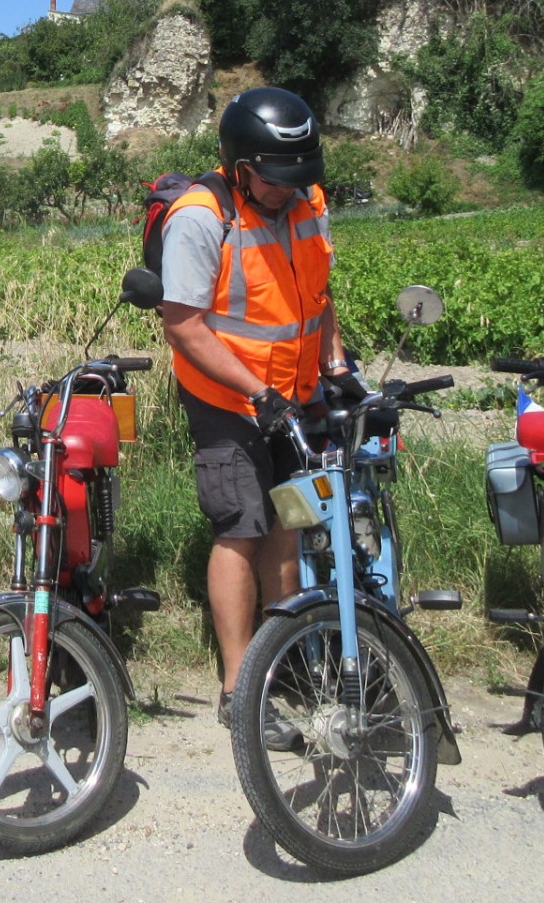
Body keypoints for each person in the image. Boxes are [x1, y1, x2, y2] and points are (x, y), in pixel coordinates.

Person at [157, 87, 350, 734]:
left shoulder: (307, 202)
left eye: (297, 178)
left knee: (289, 522)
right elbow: (184, 326)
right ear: (241, 167)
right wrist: (256, 393)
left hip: (291, 399)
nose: (286, 191)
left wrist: (337, 367)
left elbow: (318, 294)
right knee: (242, 526)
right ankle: (240, 687)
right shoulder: (200, 218)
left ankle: (287, 655)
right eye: (274, 180)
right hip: (226, 400)